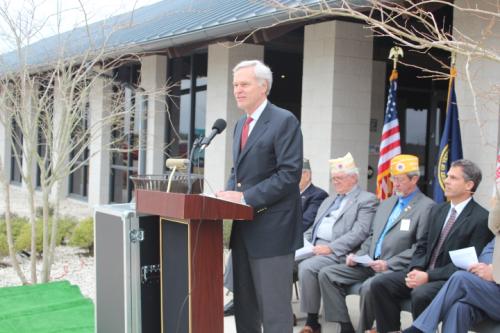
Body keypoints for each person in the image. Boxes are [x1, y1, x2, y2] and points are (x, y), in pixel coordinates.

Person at [216, 59, 303, 333]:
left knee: (274, 314)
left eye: (244, 84)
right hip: (244, 232)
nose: (237, 90)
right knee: (245, 309)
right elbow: (238, 172)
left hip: (273, 233)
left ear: (263, 87)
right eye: (235, 85)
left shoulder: (283, 121)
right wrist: (226, 194)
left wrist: (243, 199)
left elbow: (289, 176)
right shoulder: (240, 124)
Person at [370, 159, 493, 333]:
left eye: (453, 178)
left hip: (448, 279)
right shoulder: (438, 210)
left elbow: (469, 265)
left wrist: (427, 276)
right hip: (423, 271)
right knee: (380, 283)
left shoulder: (481, 218)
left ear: (469, 185)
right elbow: (422, 245)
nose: (446, 181)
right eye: (447, 176)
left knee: (421, 294)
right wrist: (417, 269)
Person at [317, 154, 435, 333]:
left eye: (400, 180)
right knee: (327, 274)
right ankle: (345, 326)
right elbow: (372, 236)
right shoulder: (387, 203)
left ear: (415, 179)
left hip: (394, 268)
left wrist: (389, 263)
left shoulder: (426, 207)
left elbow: (420, 248)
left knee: (370, 286)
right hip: (369, 262)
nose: (395, 184)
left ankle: (365, 328)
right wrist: (357, 256)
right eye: (393, 179)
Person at [223, 158, 327, 316]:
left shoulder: (317, 195)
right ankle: (240, 298)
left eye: (296, 174)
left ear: (307, 175)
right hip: (277, 235)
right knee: (242, 249)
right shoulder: (286, 193)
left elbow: (305, 221)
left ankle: (265, 306)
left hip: (297, 241)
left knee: (268, 257)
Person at [297, 152, 378, 333]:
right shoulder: (329, 200)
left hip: (339, 252)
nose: (335, 182)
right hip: (316, 247)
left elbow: (359, 232)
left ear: (354, 178)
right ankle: (278, 313)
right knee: (279, 260)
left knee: (308, 267)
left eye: (340, 178)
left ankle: (312, 321)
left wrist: (330, 248)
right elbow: (314, 227)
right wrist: (303, 243)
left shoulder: (366, 200)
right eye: (333, 179)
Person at [402, 238, 499, 333]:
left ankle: (420, 329)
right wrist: (487, 268)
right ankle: (421, 327)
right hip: (492, 293)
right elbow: (486, 254)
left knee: (461, 278)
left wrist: (495, 272)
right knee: (458, 308)